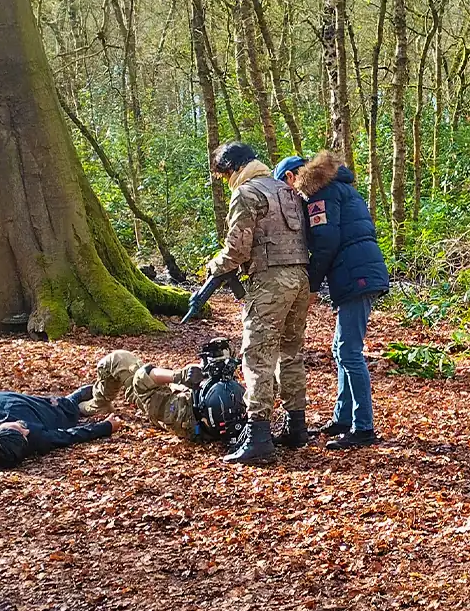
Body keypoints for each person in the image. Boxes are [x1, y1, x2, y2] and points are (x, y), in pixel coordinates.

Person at [274, 152, 389, 450]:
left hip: (357, 274)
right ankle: (343, 417)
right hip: (357, 271)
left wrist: (311, 286)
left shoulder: (320, 193)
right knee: (340, 349)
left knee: (350, 351)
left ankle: (363, 427)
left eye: (288, 190)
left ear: (291, 178)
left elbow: (326, 242)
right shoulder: (337, 187)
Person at [206, 142, 311, 466]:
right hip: (300, 278)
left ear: (233, 168)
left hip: (269, 283)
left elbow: (237, 249)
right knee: (290, 353)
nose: (226, 182)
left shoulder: (247, 193)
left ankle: (258, 435)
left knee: (257, 357)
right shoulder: (287, 190)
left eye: (225, 175)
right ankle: (296, 425)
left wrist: (215, 266)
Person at [0, 372, 120, 468]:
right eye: (24, 435)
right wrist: (106, 426)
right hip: (37, 409)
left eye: (19, 431)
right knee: (64, 409)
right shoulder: (33, 435)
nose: (25, 431)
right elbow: (70, 436)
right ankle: (74, 398)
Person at [78, 340, 245, 445]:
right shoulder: (229, 408)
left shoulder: (177, 413)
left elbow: (142, 380)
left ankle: (98, 404)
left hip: (144, 393)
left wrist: (179, 375)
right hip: (176, 393)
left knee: (116, 359)